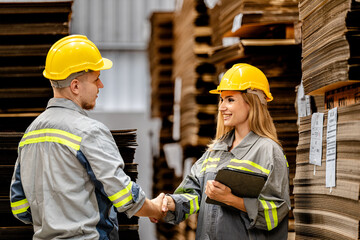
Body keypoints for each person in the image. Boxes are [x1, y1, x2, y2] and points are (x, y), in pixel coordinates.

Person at [10, 35, 167, 240]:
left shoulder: (30, 135)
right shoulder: (89, 131)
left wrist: (55, 221)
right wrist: (155, 209)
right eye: (95, 79)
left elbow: (19, 206)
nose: (100, 85)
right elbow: (124, 196)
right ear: (75, 86)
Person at [163, 63, 291, 239]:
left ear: (252, 102)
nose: (222, 107)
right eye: (221, 100)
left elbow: (276, 213)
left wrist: (231, 199)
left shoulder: (269, 152)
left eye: (230, 100)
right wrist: (168, 203)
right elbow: (193, 194)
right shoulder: (216, 150)